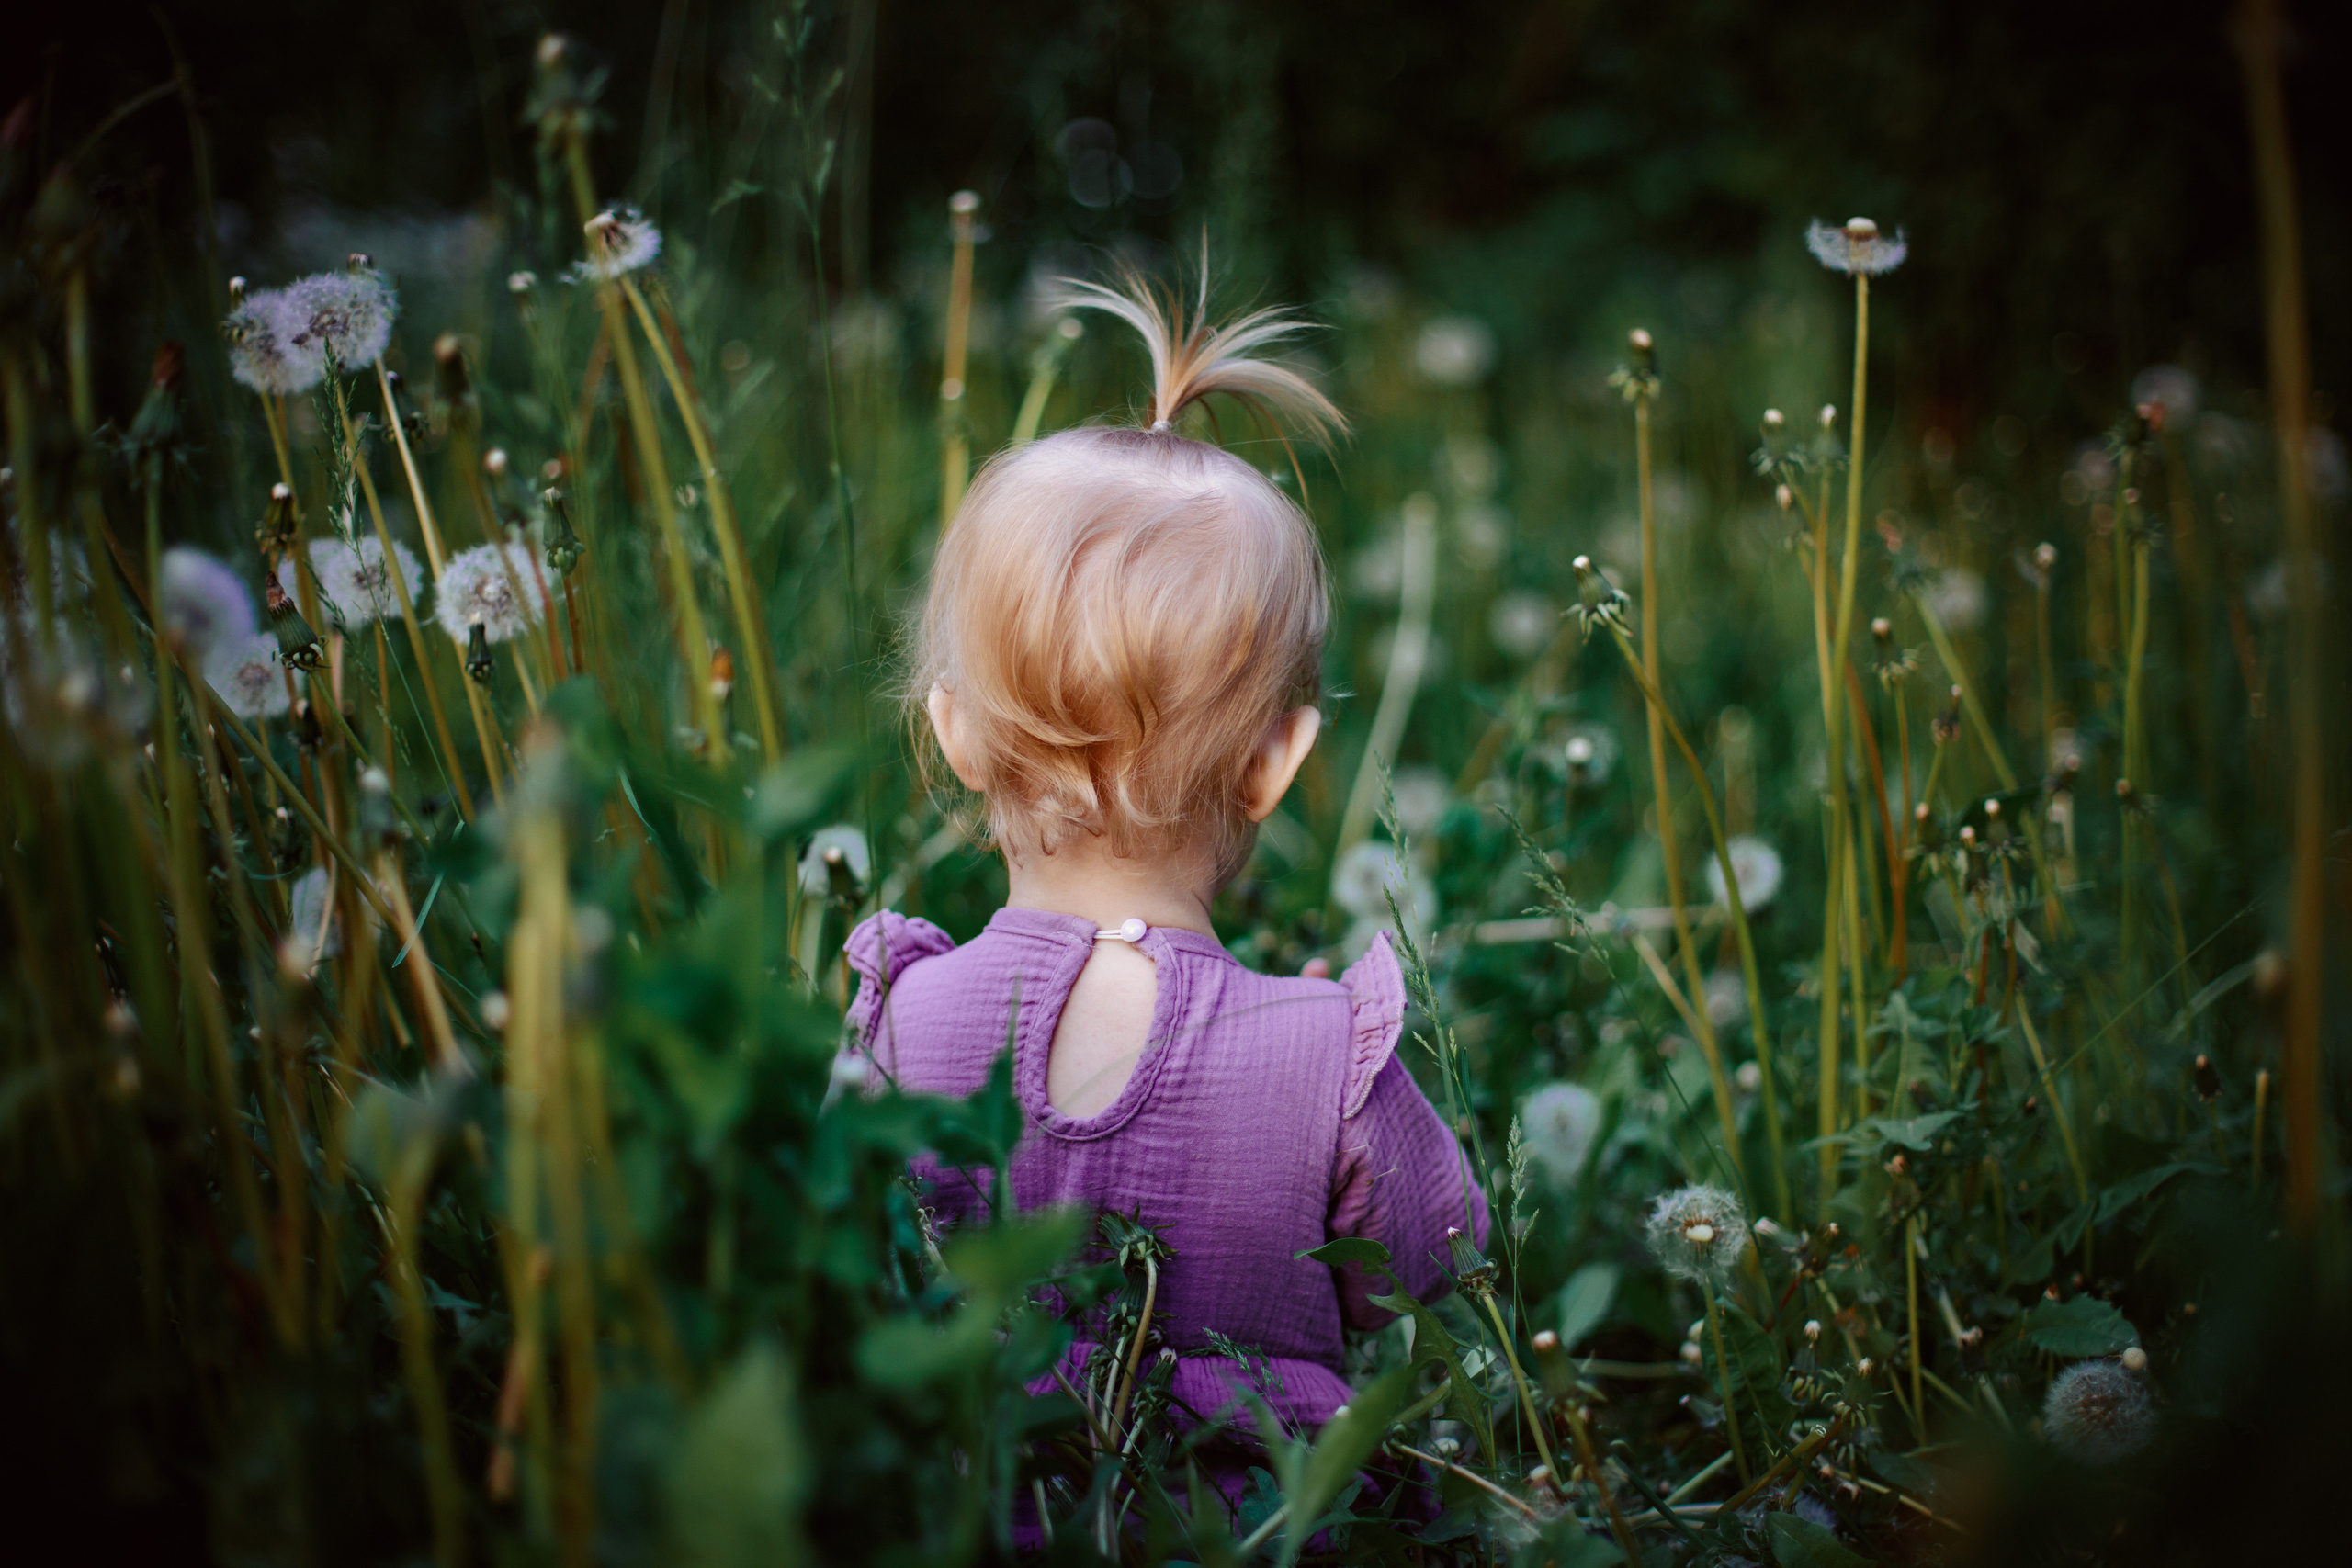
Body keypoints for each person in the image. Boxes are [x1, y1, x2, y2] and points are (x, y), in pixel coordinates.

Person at [838, 262, 1487, 1528]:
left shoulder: (898, 1021)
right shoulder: (1325, 1057)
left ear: (957, 738)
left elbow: (829, 1284)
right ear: (1277, 762)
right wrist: (1342, 1095)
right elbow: (1438, 1260)